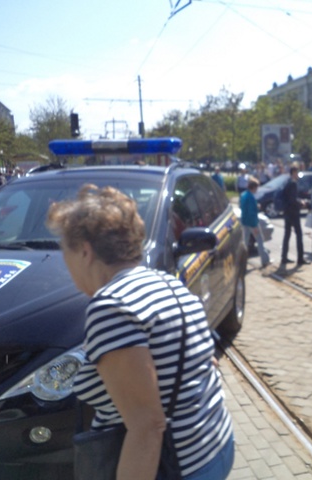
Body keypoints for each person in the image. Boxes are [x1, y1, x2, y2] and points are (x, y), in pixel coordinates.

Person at [45, 184, 234, 480]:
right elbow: (203, 361)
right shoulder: (168, 284)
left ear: (84, 251)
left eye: (64, 252)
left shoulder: (110, 307)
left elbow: (148, 426)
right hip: (215, 444)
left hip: (177, 466)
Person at [280, 166, 310, 266]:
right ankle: (300, 258)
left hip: (287, 212)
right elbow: (292, 200)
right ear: (293, 173)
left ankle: (284, 257)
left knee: (287, 235)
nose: (298, 175)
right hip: (293, 213)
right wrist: (301, 203)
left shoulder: (287, 182)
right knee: (299, 235)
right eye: (297, 172)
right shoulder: (293, 183)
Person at [240, 177, 271, 268]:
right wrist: (254, 226)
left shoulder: (243, 195)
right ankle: (265, 260)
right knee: (260, 241)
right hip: (252, 222)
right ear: (253, 187)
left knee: (244, 242)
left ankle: (242, 262)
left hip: (244, 221)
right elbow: (251, 213)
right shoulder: (251, 197)